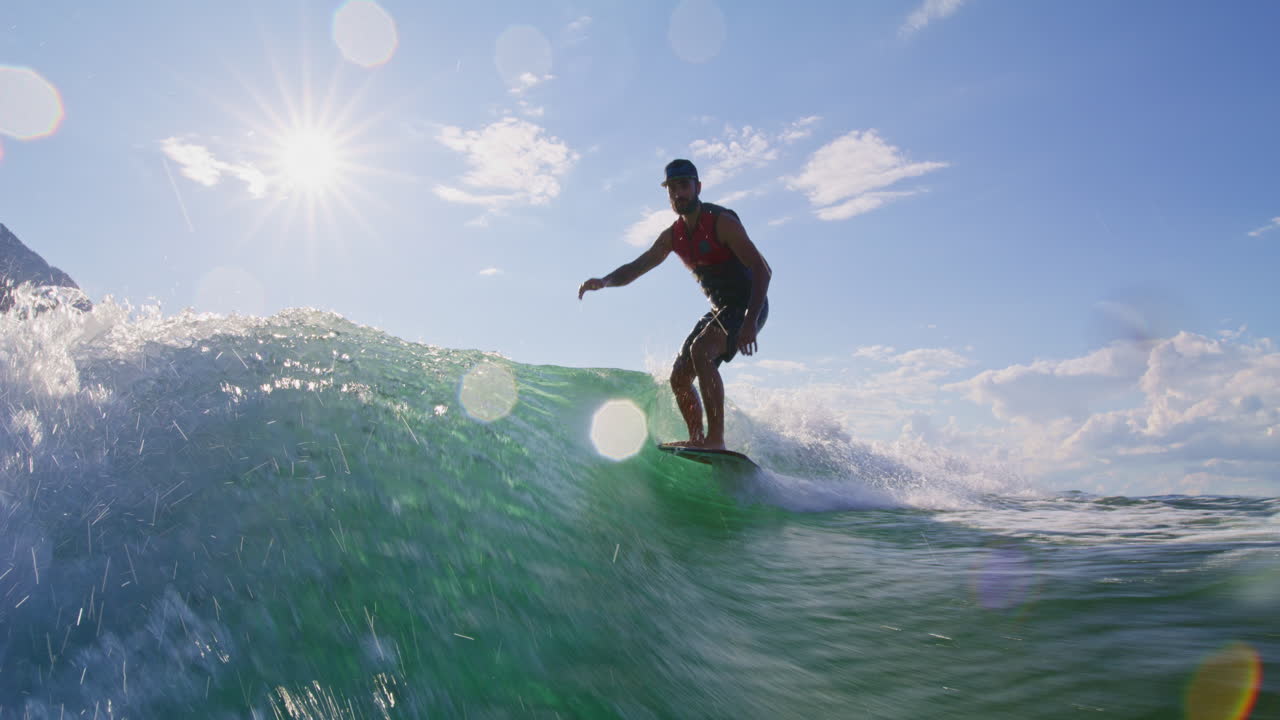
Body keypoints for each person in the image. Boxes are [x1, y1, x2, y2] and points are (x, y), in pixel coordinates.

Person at [578, 159, 771, 450]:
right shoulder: (673, 236)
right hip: (721, 311)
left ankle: (715, 440)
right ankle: (697, 438)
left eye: (684, 186)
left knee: (701, 351)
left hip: (747, 305)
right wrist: (603, 281)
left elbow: (762, 270)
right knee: (679, 378)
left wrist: (750, 323)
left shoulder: (721, 222)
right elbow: (637, 267)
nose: (678, 193)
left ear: (698, 187)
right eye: (672, 188)